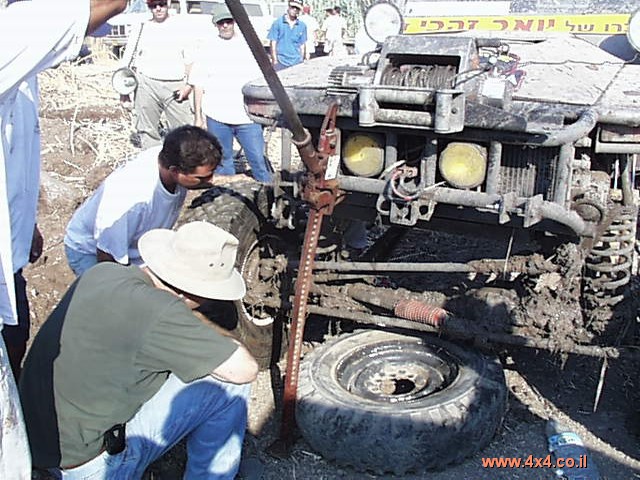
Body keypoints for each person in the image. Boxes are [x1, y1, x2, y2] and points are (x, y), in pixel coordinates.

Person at [20, 221, 259, 478]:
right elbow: (245, 370)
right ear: (191, 294)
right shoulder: (163, 314)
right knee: (230, 386)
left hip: (34, 444)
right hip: (90, 466)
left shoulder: (102, 273)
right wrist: (205, 325)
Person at [0, 0, 127, 477]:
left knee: (17, 346)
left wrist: (22, 222)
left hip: (8, 262)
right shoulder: (8, 34)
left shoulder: (21, 65)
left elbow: (13, 152)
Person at [64, 125, 220, 276]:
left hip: (140, 247)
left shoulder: (172, 155)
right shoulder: (130, 199)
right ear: (175, 171)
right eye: (203, 178)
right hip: (92, 252)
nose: (210, 180)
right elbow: (108, 260)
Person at [189, 5, 272, 183]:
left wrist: (264, 111)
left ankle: (270, 199)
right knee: (223, 162)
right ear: (216, 25)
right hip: (217, 117)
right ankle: (228, 200)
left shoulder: (248, 46)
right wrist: (198, 117)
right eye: (221, 23)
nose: (225, 26)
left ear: (234, 22)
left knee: (258, 161)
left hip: (247, 118)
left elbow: (262, 81)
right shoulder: (207, 48)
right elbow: (198, 84)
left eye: (228, 21)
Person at [120, 0, 196, 149]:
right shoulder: (141, 28)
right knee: (147, 132)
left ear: (167, 4)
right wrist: (123, 92)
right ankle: (152, 165)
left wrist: (188, 86)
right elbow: (126, 61)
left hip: (175, 86)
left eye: (161, 4)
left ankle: (183, 166)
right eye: (154, 6)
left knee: (183, 133)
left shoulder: (181, 27)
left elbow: (191, 60)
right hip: (146, 84)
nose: (158, 9)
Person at [268, 0, 307, 70]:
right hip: (281, 61)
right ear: (288, 7)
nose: (295, 9)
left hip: (296, 61)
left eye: (297, 8)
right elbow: (273, 42)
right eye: (293, 7)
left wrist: (301, 59)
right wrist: (274, 60)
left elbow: (302, 44)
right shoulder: (277, 23)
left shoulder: (302, 26)